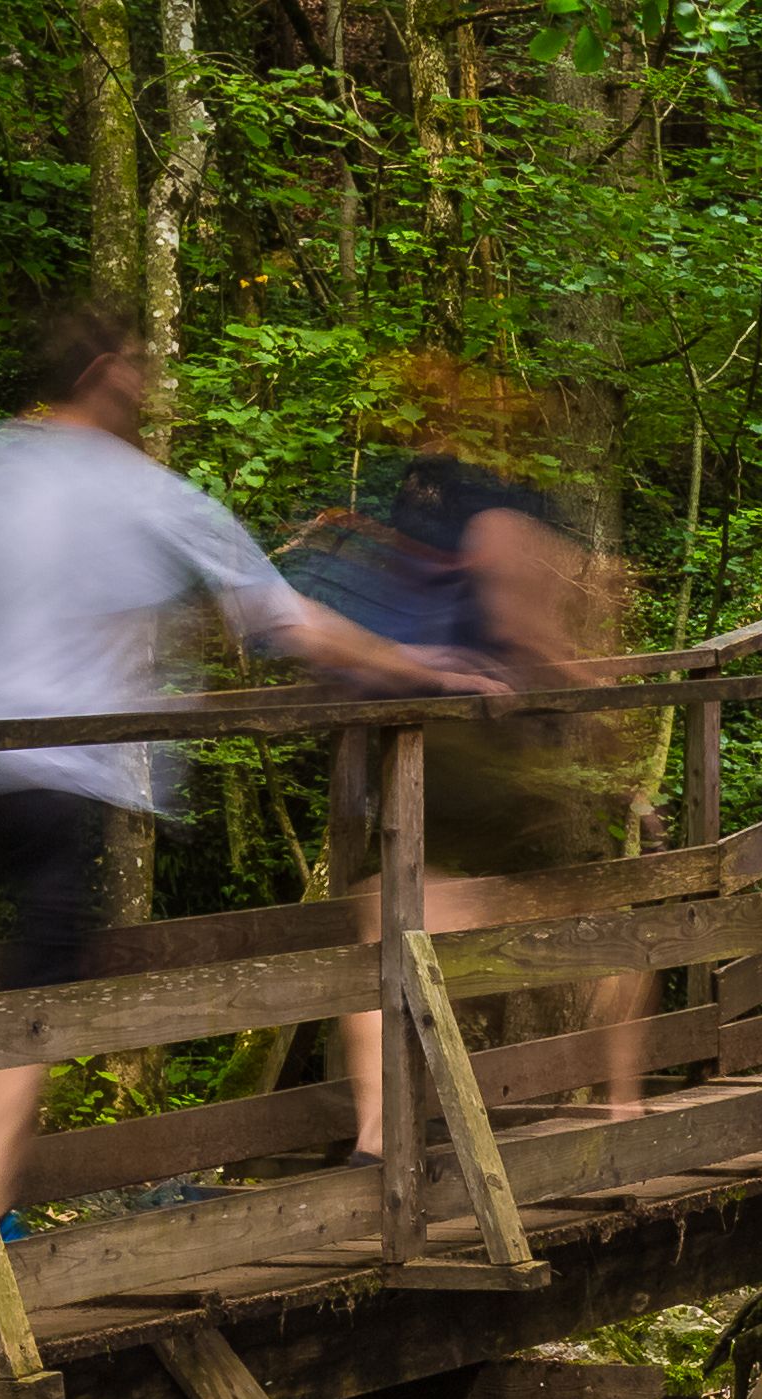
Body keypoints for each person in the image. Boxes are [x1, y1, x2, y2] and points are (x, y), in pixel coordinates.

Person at [0, 300, 496, 1222]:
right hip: (53, 764)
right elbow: (286, 620)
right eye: (141, 366)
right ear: (104, 372)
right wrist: (421, 665)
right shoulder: (132, 488)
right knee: (35, 979)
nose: (150, 385)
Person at [279, 358, 647, 1149]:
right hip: (476, 738)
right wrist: (602, 697)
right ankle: (621, 1104)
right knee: (598, 916)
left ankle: (379, 1129)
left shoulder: (411, 496)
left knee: (391, 912)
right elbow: (525, 632)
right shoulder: (501, 511)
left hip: (408, 730)